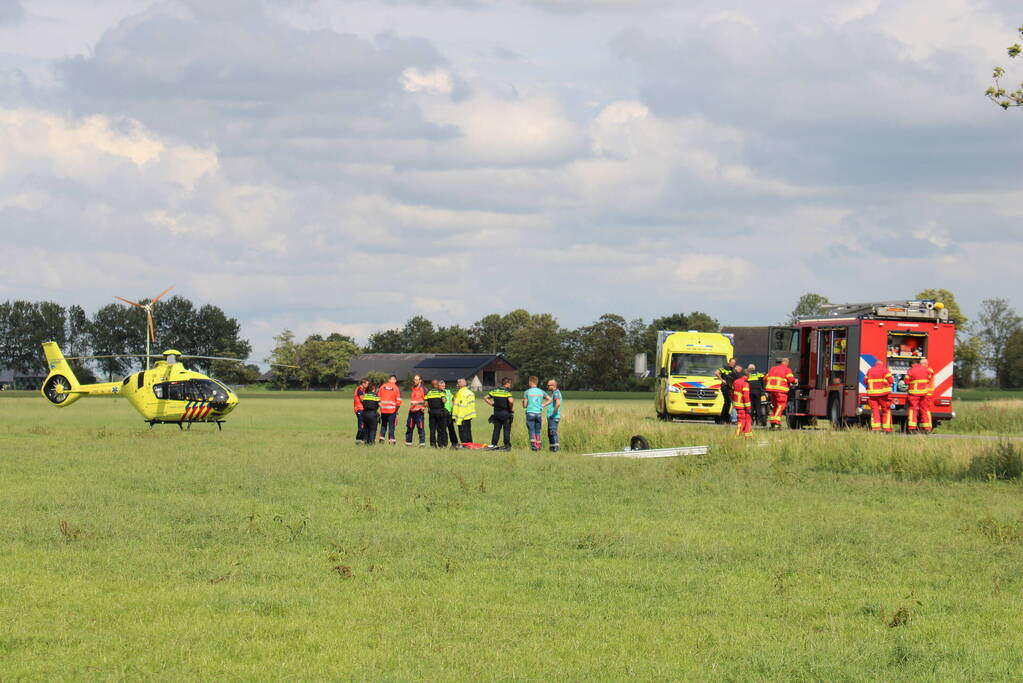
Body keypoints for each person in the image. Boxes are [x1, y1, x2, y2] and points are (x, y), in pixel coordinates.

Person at [764, 357, 797, 430]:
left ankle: (772, 423)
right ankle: (776, 423)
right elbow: (791, 379)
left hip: (772, 390)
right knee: (781, 406)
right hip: (781, 391)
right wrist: (795, 381)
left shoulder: (773, 368)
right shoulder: (787, 369)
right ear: (786, 362)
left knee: (775, 406)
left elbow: (765, 378)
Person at [484, 377, 514, 450]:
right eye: (510, 383)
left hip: (496, 413)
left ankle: (494, 444)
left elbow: (485, 397)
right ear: (507, 384)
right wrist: (511, 408)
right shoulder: (507, 392)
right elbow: (511, 401)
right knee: (506, 430)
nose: (510, 385)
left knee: (496, 430)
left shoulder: (495, 390)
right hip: (506, 413)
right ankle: (506, 445)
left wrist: (492, 404)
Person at [864, 360, 894, 433]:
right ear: (882, 364)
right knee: (886, 411)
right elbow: (891, 380)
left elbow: (865, 381)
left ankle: (876, 428)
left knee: (875, 411)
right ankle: (886, 429)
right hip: (883, 395)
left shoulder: (870, 370)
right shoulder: (885, 370)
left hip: (872, 395)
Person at [522, 376, 550, 451]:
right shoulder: (541, 391)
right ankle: (538, 446)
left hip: (530, 413)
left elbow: (525, 405)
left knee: (531, 430)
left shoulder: (527, 392)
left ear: (530, 382)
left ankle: (534, 447)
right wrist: (542, 405)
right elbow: (550, 399)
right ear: (536, 382)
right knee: (538, 431)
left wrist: (523, 403)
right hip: (538, 414)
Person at [906, 359, 933, 433]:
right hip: (924, 393)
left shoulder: (911, 370)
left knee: (913, 410)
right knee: (924, 409)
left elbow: (906, 381)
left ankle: (912, 428)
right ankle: (926, 428)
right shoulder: (926, 370)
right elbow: (929, 379)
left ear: (912, 364)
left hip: (914, 394)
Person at [377, 374, 402, 444]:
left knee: (383, 425)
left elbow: (378, 398)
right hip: (392, 410)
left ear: (389, 379)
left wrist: (381, 406)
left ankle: (381, 439)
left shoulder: (382, 386)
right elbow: (399, 402)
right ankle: (391, 440)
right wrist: (396, 411)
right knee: (391, 425)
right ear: (395, 380)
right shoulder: (396, 388)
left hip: (383, 410)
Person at [451, 378, 476, 446]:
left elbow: (462, 407)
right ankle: (470, 445)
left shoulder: (461, 393)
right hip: (468, 415)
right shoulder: (469, 392)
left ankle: (465, 445)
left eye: (458, 383)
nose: (456, 385)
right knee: (468, 431)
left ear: (460, 384)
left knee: (463, 432)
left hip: (462, 416)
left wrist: (459, 419)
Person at [425, 381, 449, 448]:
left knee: (432, 430)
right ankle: (442, 444)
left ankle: (433, 444)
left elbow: (425, 404)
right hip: (440, 412)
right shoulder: (440, 392)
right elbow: (444, 400)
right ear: (437, 385)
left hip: (432, 413)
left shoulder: (428, 392)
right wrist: (445, 399)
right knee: (441, 429)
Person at [404, 374, 427, 447]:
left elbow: (426, 402)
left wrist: (417, 403)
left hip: (419, 412)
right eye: (414, 379)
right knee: (409, 427)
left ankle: (422, 444)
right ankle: (408, 444)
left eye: (416, 380)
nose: (414, 381)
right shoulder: (413, 388)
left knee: (420, 428)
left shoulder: (424, 389)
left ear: (420, 380)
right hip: (412, 411)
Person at [716, 357, 740, 424]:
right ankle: (723, 418)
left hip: (730, 388)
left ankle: (725, 418)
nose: (733, 364)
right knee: (728, 402)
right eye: (732, 362)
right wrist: (722, 380)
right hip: (725, 387)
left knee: (728, 403)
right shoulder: (725, 367)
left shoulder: (733, 370)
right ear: (729, 362)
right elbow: (716, 373)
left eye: (734, 363)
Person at [731, 368, 753, 438]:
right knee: (742, 421)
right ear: (748, 375)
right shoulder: (745, 383)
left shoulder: (735, 381)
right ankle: (737, 435)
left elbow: (732, 393)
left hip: (737, 405)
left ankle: (748, 436)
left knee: (747, 420)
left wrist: (734, 401)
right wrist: (748, 408)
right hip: (743, 406)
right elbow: (746, 396)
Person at [439, 379, 459, 447]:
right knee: (443, 429)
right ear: (439, 386)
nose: (443, 387)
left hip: (449, 412)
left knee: (451, 429)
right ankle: (444, 444)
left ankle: (454, 443)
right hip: (443, 412)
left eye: (444, 386)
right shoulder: (438, 392)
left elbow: (453, 399)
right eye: (442, 386)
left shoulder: (448, 391)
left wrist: (454, 407)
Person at [545, 378, 563, 452]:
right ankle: (552, 448)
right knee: (550, 433)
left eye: (548, 385)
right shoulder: (554, 393)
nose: (547, 387)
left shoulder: (556, 393)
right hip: (552, 417)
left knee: (553, 432)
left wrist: (553, 414)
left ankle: (556, 449)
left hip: (554, 417)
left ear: (553, 385)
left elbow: (558, 404)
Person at [353, 378, 369, 445]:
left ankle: (360, 439)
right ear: (363, 383)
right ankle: (359, 439)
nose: (368, 385)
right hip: (359, 409)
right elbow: (362, 399)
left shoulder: (362, 389)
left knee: (363, 424)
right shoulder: (360, 389)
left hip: (361, 409)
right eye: (367, 384)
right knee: (361, 425)